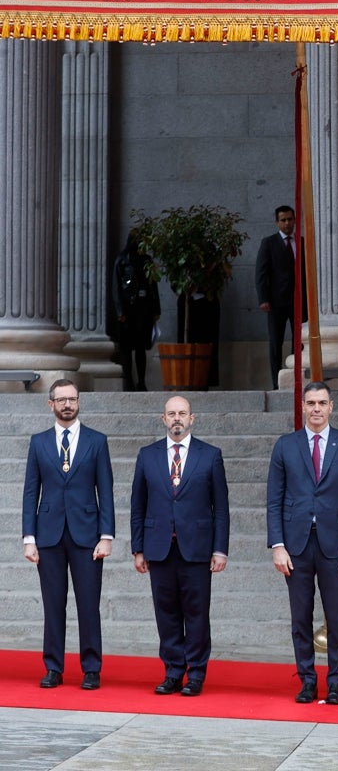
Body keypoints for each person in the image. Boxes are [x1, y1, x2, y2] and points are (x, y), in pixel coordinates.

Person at [266, 381, 338, 705]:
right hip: (295, 545)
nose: (316, 409)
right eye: (311, 403)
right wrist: (277, 545)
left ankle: (335, 682)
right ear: (303, 407)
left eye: (322, 403)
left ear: (331, 406)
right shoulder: (285, 446)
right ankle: (307, 680)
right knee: (300, 616)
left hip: (335, 545)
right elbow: (274, 501)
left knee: (336, 616)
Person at [130, 396, 231, 697]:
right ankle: (173, 672)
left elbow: (221, 508)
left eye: (182, 413)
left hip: (197, 549)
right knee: (167, 613)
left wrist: (220, 549)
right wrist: (138, 548)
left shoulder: (210, 455)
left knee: (197, 613)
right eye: (171, 414)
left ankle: (196, 674)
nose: (177, 418)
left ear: (192, 418)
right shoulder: (147, 455)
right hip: (159, 548)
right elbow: (138, 505)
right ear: (163, 419)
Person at [21, 379, 115, 690]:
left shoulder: (96, 441)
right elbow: (30, 492)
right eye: (61, 399)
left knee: (89, 604)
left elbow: (107, 491)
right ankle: (53, 668)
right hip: (48, 536)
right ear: (51, 404)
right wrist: (29, 538)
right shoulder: (38, 442)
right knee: (53, 604)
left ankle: (91, 669)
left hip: (87, 536)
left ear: (78, 402)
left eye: (72, 399)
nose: (67, 405)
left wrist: (107, 535)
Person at [254, 205, 306, 389]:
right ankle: (276, 382)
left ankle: (296, 378)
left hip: (300, 302)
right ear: (277, 222)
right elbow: (261, 273)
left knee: (299, 342)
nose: (287, 223)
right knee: (276, 342)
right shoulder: (268, 243)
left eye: (290, 219)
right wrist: (263, 299)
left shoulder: (302, 243)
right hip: (276, 302)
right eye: (283, 220)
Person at [112, 231, 161, 392]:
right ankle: (128, 381)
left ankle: (141, 381)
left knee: (140, 348)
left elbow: (153, 285)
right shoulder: (122, 260)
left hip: (143, 309)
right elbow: (116, 288)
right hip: (127, 310)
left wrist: (156, 309)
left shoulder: (146, 260)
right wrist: (120, 310)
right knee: (126, 349)